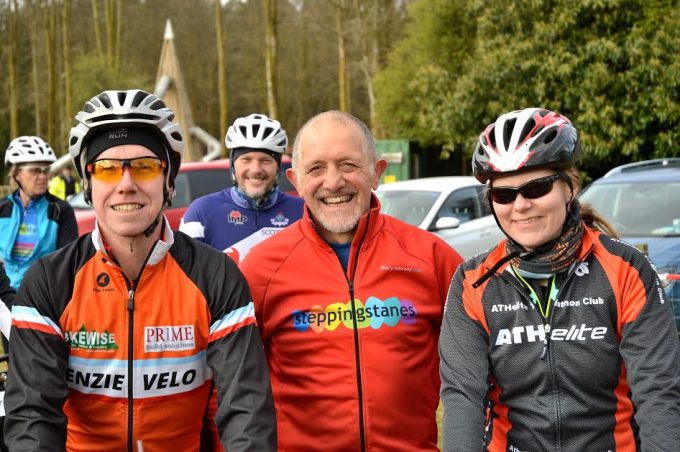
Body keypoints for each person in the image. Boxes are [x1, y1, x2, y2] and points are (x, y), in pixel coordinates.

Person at [4, 89, 276, 451]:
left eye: (145, 166)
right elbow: (33, 417)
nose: (126, 184)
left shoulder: (215, 276)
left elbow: (246, 410)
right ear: (87, 184)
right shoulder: (50, 282)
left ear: (168, 181)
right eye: (106, 168)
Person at [439, 108, 680, 451]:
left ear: (570, 188)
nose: (520, 205)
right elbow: (463, 398)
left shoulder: (626, 268)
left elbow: (658, 392)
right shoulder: (474, 281)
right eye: (504, 195)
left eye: (536, 187)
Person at [240, 110, 463, 450]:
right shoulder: (261, 268)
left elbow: (485, 370)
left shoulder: (431, 258)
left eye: (348, 165)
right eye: (316, 168)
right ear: (296, 182)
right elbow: (229, 388)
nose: (333, 182)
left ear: (377, 173)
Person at [180, 113, 303, 265]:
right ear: (233, 165)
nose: (256, 169)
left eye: (265, 160)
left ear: (278, 168)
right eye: (246, 159)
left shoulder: (302, 212)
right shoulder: (202, 212)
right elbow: (184, 277)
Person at [0, 136, 78, 292]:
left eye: (46, 170)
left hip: (41, 297)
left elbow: (67, 265)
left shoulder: (60, 211)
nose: (43, 176)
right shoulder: (2, 209)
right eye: (35, 170)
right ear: (16, 173)